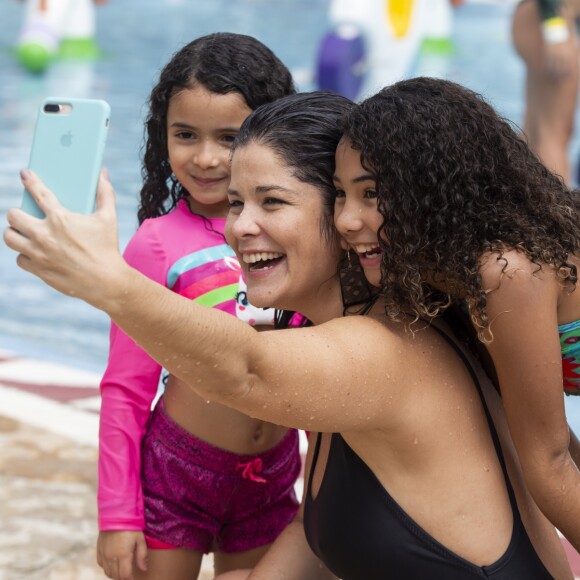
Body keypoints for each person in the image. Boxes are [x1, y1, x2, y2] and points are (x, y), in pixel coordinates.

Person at [4, 91, 574, 579]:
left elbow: (246, 368)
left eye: (271, 201)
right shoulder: (357, 336)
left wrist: (107, 282)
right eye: (234, 202)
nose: (238, 227)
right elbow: (317, 535)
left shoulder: (389, 351)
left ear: (343, 213)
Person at [337, 76, 580, 553]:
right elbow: (551, 441)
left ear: (430, 188)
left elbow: (549, 465)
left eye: (372, 194)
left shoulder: (506, 270)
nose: (347, 219)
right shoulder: (437, 273)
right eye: (340, 194)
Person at [96, 33, 298, 580]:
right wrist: (117, 515)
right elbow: (126, 387)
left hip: (272, 472)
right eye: (185, 135)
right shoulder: (157, 244)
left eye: (229, 137)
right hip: (180, 472)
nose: (205, 158)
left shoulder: (293, 232)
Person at [512, 0, 580, 184]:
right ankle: (555, 212)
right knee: (552, 133)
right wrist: (555, 31)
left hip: (548, 17)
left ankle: (522, 206)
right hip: (549, 17)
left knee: (536, 130)